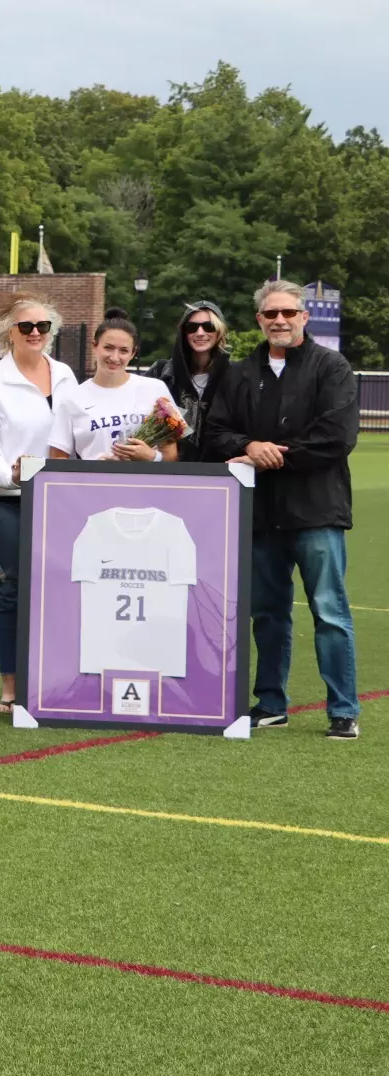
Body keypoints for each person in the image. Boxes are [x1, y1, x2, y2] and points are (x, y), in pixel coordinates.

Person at [205, 279, 361, 739]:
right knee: (268, 614)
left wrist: (274, 454)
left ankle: (344, 709)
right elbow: (216, 434)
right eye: (271, 314)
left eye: (288, 313)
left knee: (329, 611)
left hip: (317, 512)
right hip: (260, 513)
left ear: (303, 317)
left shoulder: (331, 367)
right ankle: (271, 703)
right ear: (259, 320)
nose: (279, 320)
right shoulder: (238, 372)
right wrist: (249, 444)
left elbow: (337, 437)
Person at [0, 299, 78, 714]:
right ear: (8, 332)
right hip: (4, 502)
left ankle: (55, 679)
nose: (35, 332)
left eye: (43, 325)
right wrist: (8, 474)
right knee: (9, 590)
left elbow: (76, 433)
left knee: (61, 589)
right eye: (26, 325)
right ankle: (11, 687)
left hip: (58, 501)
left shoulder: (65, 375)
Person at [47, 310, 178, 463]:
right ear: (95, 347)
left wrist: (151, 457)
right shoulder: (71, 399)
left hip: (144, 485)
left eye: (123, 350)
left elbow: (171, 456)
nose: (115, 357)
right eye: (108, 348)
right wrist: (93, 467)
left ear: (133, 353)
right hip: (94, 485)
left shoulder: (156, 389)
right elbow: (57, 459)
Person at [144, 301, 231, 461]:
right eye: (192, 327)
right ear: (184, 332)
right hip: (169, 469)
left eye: (208, 326)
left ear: (219, 331)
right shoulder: (161, 372)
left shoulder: (233, 375)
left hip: (219, 471)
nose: (200, 333)